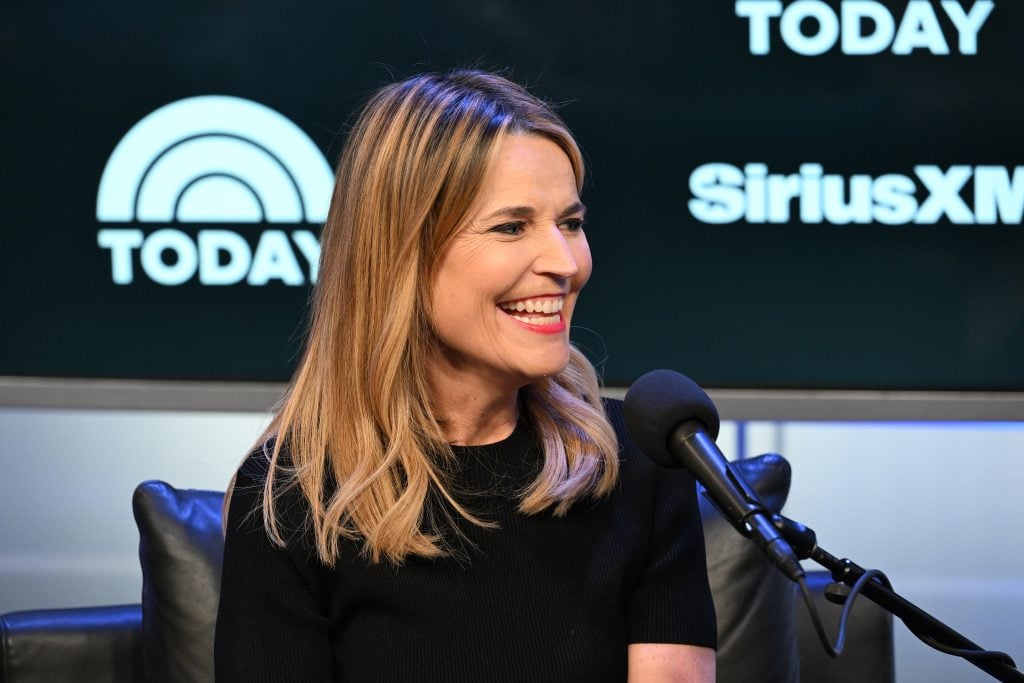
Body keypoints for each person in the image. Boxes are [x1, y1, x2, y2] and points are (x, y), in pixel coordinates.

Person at [215, 69, 716, 682]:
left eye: (571, 223)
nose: (565, 263)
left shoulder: (640, 461)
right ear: (403, 253)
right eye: (511, 226)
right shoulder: (292, 496)